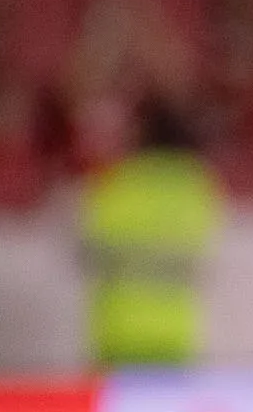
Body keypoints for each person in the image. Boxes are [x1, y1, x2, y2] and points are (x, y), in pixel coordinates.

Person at [79, 97, 224, 368]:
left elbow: (86, 248)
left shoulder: (115, 182)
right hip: (174, 335)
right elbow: (207, 249)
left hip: (119, 333)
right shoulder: (196, 186)